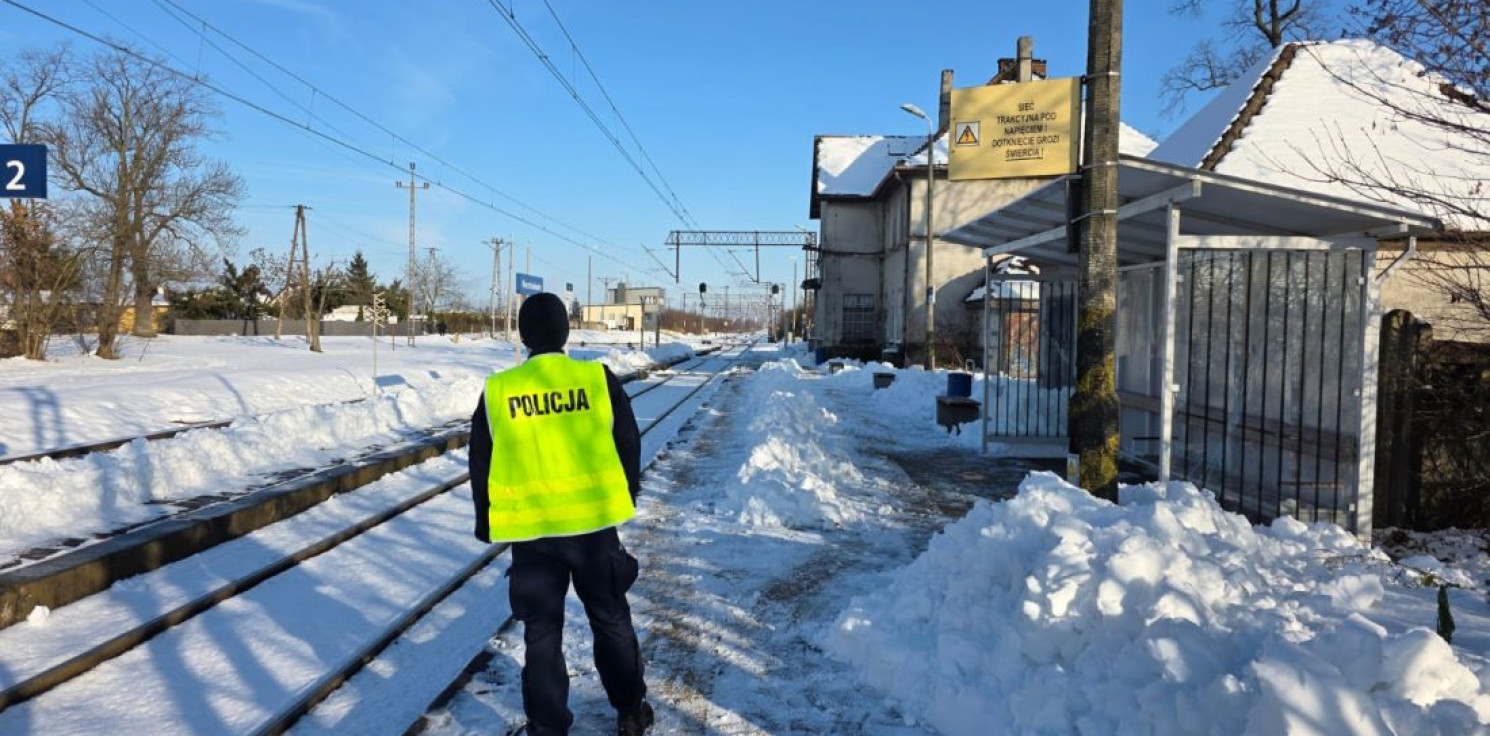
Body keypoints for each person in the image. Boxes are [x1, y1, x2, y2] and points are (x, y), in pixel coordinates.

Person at [468, 292, 654, 736]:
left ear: (524, 336)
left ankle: (547, 727)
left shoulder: (500, 391)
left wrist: (486, 520)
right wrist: (625, 492)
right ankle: (629, 711)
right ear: (566, 333)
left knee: (541, 636)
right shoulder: (596, 379)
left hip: (533, 536)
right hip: (593, 529)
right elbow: (628, 440)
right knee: (610, 620)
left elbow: (480, 462)